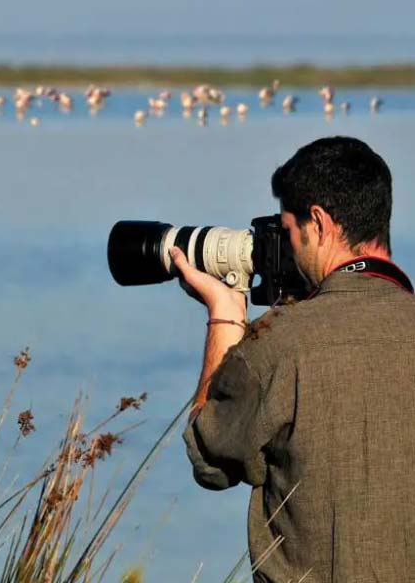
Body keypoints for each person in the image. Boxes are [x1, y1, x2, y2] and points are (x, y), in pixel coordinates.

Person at [173, 136, 415, 582]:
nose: (286, 249)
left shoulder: (283, 342)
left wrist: (225, 317)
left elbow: (211, 459)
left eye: (286, 232)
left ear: (319, 224)